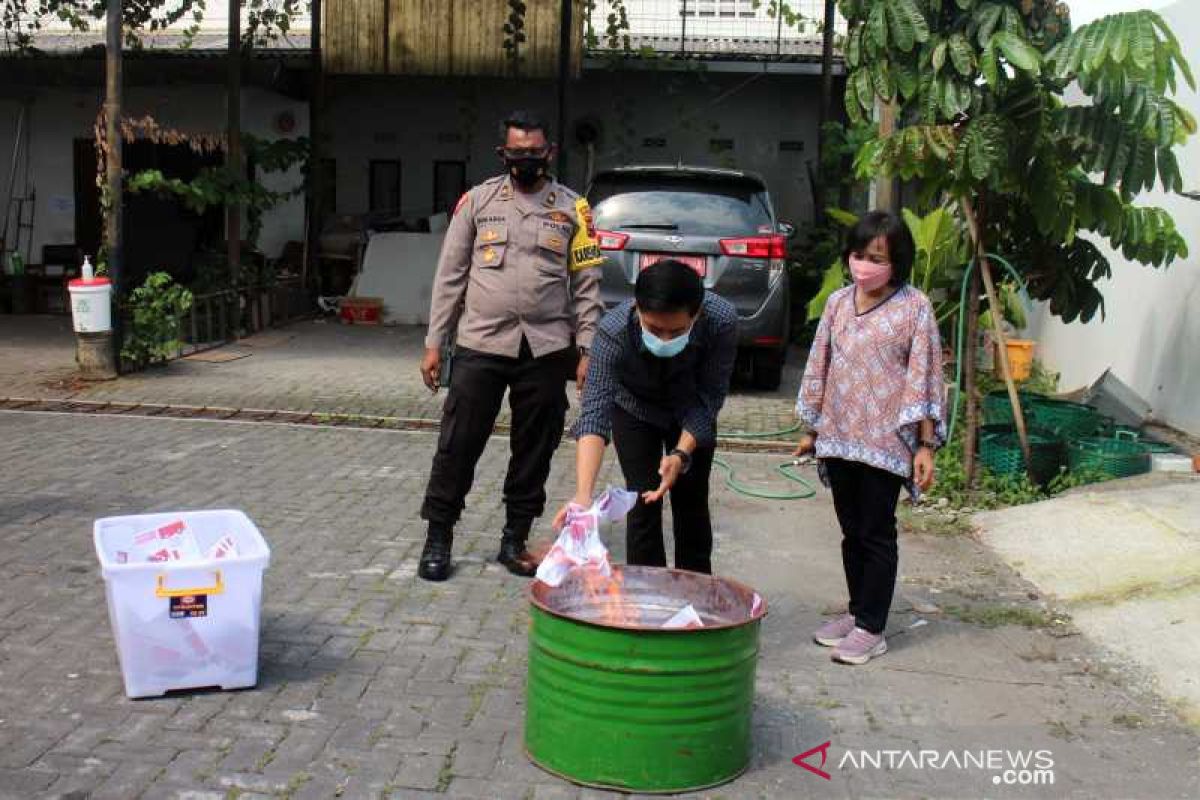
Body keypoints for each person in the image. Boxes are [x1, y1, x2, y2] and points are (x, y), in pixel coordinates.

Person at [417, 110, 605, 582]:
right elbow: (450, 277)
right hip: (481, 343)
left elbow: (587, 284)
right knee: (458, 445)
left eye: (534, 153)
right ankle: (438, 537)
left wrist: (587, 349)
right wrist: (434, 342)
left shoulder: (574, 210)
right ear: (503, 154)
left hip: (544, 349)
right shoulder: (476, 204)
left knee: (535, 448)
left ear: (550, 153)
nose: (526, 161)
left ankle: (514, 538)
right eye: (517, 153)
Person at [795, 210, 945, 665]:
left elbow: (924, 377)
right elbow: (820, 364)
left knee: (877, 532)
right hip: (839, 437)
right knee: (851, 531)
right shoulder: (839, 303)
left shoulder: (915, 308)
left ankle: (872, 627)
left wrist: (924, 446)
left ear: (896, 261)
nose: (865, 265)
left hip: (885, 444)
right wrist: (811, 429)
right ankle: (858, 611)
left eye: (876, 257)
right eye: (859, 255)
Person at [554, 259, 738, 575]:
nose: (664, 340)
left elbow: (709, 398)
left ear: (697, 314)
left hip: (690, 407)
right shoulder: (613, 330)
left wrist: (680, 453)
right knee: (642, 498)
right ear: (638, 309)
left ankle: (693, 594)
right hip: (634, 407)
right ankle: (645, 594)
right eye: (654, 329)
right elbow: (595, 412)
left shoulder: (721, 320)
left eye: (676, 331)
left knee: (691, 501)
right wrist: (583, 496)